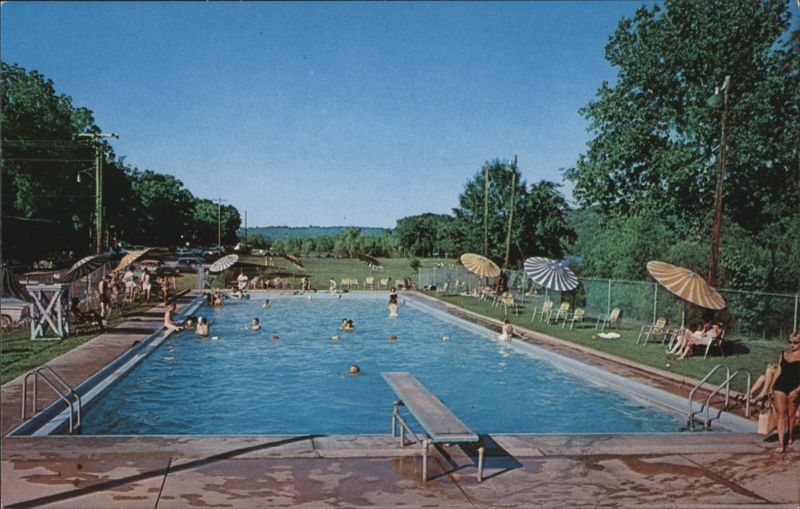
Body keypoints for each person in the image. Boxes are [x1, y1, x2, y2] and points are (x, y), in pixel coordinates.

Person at [769, 332, 800, 453]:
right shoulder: (783, 354)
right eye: (790, 342)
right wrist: (771, 386)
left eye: (795, 342)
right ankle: (781, 442)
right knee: (781, 413)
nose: (792, 345)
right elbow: (779, 371)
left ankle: (790, 435)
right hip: (781, 385)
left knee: (791, 415)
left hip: (794, 387)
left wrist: (797, 390)